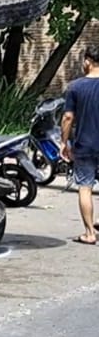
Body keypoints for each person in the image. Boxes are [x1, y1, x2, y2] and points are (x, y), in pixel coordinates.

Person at [61, 44, 99, 244]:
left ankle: (90, 233)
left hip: (85, 145)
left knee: (85, 187)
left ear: (87, 61)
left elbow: (68, 117)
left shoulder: (76, 87)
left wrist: (63, 143)